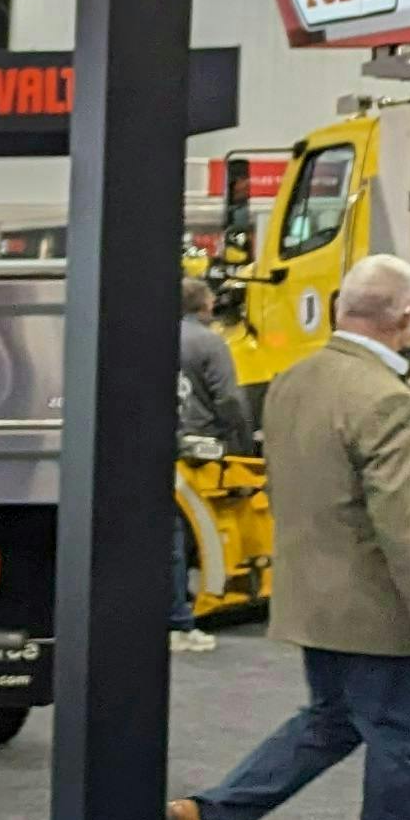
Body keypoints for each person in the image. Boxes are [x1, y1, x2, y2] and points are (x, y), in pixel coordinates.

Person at [165, 254, 410, 820]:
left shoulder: (293, 381)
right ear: (406, 317)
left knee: (329, 722)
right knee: (402, 744)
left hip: (315, 598)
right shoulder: (389, 401)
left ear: (342, 304)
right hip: (381, 610)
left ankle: (204, 818)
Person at [173, 277, 256, 654]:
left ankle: (173, 607)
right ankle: (179, 621)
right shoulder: (209, 342)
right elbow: (229, 400)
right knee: (192, 535)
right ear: (205, 306)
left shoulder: (151, 335)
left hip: (159, 447)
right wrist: (242, 442)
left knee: (169, 533)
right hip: (198, 452)